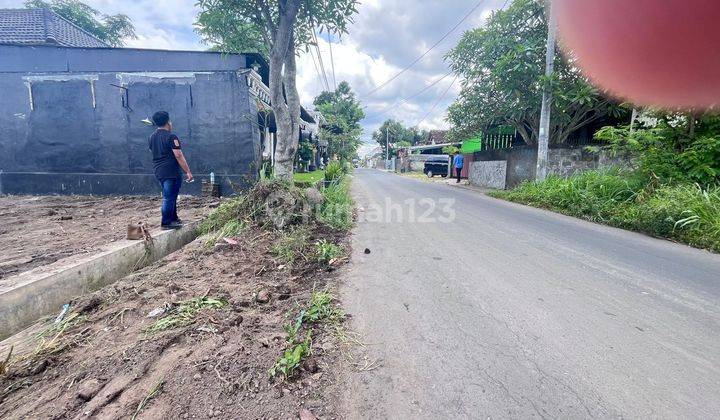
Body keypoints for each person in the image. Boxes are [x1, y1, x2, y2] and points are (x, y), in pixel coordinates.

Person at [148, 111, 193, 230]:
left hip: (159, 171)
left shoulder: (152, 137)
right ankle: (166, 222)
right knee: (169, 196)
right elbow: (178, 155)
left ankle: (174, 218)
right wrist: (187, 171)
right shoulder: (171, 137)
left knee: (171, 195)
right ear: (168, 122)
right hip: (171, 171)